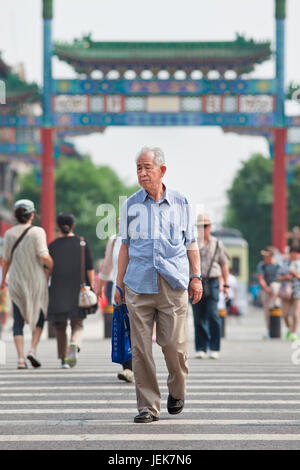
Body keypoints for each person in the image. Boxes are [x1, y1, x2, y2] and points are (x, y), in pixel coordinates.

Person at [114, 146, 202, 424]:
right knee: (140, 349)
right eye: (138, 168)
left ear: (162, 170)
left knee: (173, 346)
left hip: (173, 284)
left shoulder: (181, 202)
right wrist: (118, 285)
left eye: (147, 167)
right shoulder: (130, 205)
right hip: (138, 285)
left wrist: (196, 277)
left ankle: (177, 389)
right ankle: (148, 407)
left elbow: (191, 244)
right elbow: (124, 247)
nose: (142, 173)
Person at [0, 199, 53, 369]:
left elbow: (6, 260)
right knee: (40, 316)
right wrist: (51, 266)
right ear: (32, 214)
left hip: (16, 281)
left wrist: (3, 280)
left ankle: (20, 358)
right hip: (36, 281)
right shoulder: (38, 232)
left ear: (16, 215)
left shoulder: (9, 234)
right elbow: (44, 256)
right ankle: (32, 349)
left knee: (18, 322)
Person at [47, 212, 96, 369]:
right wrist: (93, 286)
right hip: (77, 288)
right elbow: (89, 268)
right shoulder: (82, 243)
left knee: (60, 326)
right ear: (73, 225)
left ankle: (63, 359)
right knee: (78, 324)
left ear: (57, 226)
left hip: (57, 289)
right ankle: (74, 343)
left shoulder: (53, 246)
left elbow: (47, 270)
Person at [97, 223, 134, 384]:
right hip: (119, 292)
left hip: (138, 291)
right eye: (119, 223)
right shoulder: (114, 240)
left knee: (137, 330)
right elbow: (107, 266)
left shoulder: (141, 237)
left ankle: (136, 368)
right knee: (124, 329)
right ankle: (129, 368)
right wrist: (99, 286)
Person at [191, 214, 229, 360]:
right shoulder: (192, 242)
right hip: (195, 282)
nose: (202, 229)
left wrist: (225, 285)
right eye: (200, 226)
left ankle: (214, 347)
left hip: (212, 281)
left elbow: (224, 264)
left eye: (205, 226)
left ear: (210, 227)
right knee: (198, 317)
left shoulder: (217, 243)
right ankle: (201, 347)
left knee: (213, 314)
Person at [257, 246, 282, 339]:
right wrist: (267, 289)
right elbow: (261, 279)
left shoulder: (278, 265)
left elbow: (281, 278)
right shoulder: (262, 265)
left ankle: (277, 329)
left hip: (276, 289)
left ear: (271, 255)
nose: (265, 257)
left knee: (274, 286)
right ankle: (269, 331)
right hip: (266, 290)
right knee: (267, 311)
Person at [279, 247, 300, 341]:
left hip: (297, 291)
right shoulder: (284, 264)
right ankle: (290, 328)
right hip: (286, 291)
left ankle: (294, 333)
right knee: (285, 314)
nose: (294, 255)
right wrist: (285, 277)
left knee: (296, 313)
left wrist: (295, 275)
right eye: (292, 253)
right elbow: (278, 277)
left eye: (296, 253)